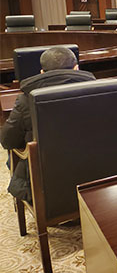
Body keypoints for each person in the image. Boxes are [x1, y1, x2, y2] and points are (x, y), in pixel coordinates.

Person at [2, 47, 96, 202]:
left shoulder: (26, 100)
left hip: (47, 186)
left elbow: (8, 141)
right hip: (95, 173)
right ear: (77, 68)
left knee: (13, 157)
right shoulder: (100, 91)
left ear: (42, 73)